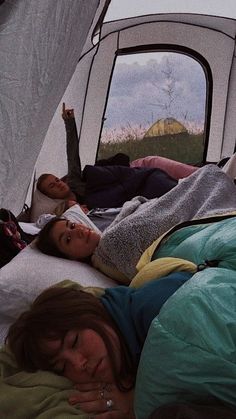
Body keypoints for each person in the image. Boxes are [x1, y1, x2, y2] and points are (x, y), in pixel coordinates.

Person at [6, 272, 193, 418]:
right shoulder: (126, 346)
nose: (78, 364)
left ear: (92, 312)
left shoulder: (157, 308)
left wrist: (142, 403)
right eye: (62, 367)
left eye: (75, 341)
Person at [35, 163, 236, 282]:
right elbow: (155, 222)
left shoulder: (85, 189)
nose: (77, 230)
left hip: (148, 195)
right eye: (68, 239)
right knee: (209, 174)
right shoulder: (110, 247)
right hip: (182, 217)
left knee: (206, 173)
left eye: (71, 225)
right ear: (72, 259)